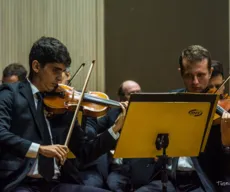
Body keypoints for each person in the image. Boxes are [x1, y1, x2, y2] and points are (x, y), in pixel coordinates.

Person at [0, 36, 126, 192]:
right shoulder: (10, 94)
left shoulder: (62, 103)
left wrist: (115, 129)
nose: (60, 78)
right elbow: (1, 133)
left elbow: (84, 152)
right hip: (20, 182)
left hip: (54, 185)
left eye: (63, 71)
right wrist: (39, 149)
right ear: (36, 66)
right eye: (55, 70)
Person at [176, 45, 230, 192]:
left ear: (209, 72)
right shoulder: (173, 100)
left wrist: (227, 143)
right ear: (181, 74)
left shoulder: (225, 108)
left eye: (200, 75)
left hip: (204, 179)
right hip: (170, 177)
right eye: (189, 76)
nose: (195, 82)